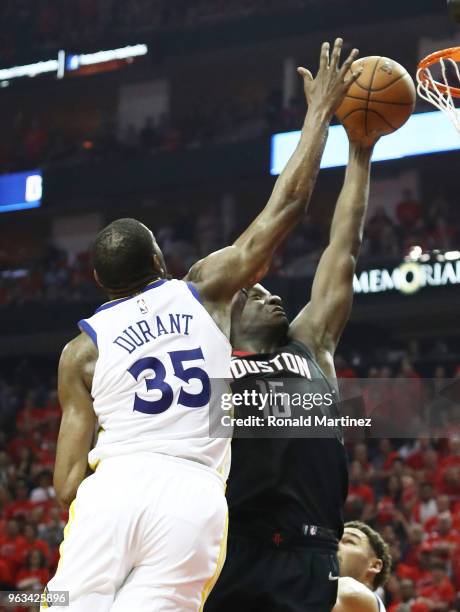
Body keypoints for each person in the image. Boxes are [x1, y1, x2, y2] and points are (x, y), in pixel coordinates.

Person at [42, 38, 361, 612]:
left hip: (115, 485)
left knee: (59, 604)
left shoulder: (79, 354)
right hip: (194, 495)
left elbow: (67, 486)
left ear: (99, 284)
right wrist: (318, 113)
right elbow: (285, 208)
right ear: (161, 264)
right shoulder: (204, 291)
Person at [206, 84, 380, 612]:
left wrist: (360, 152)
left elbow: (343, 249)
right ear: (228, 317)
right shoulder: (210, 363)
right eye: (254, 293)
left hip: (310, 550)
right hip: (232, 545)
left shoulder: (310, 345)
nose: (271, 294)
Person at [334, 521, 392, 612]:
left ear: (374, 565)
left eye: (349, 541)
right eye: (335, 540)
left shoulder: (353, 592)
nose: (333, 544)